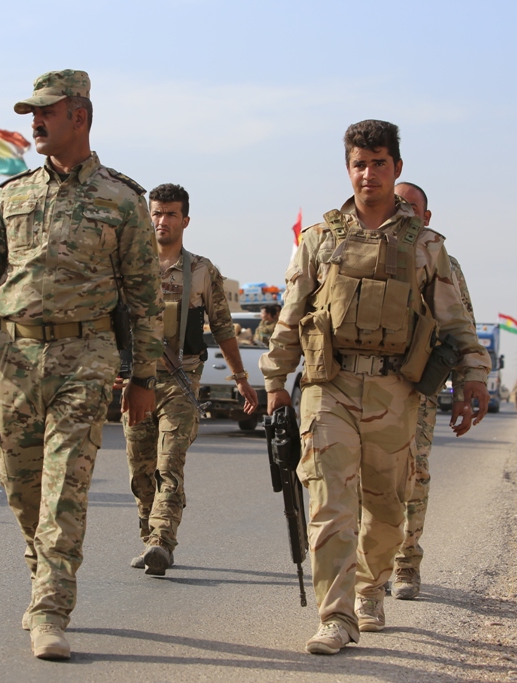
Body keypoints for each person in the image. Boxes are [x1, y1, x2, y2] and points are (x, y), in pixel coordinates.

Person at [0, 69, 163, 661]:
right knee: (21, 485)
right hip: (15, 357)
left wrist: (143, 378)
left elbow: (144, 298)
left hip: (86, 357)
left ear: (78, 116)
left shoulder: (123, 200)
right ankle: (44, 573)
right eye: (32, 113)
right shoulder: (14, 195)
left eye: (45, 113)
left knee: (64, 489)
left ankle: (51, 608)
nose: (34, 122)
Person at [259, 120, 491, 655]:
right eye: (359, 164)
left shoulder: (427, 247)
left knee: (387, 512)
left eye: (379, 163)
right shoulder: (319, 240)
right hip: (329, 385)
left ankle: (371, 588)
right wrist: (275, 382)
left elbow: (454, 322)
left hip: (395, 392)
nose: (369, 174)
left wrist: (473, 376)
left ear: (397, 168)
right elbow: (290, 318)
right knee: (330, 505)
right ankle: (335, 617)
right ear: (348, 169)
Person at [123, 183, 258, 576]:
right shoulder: (132, 264)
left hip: (180, 382)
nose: (161, 221)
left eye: (169, 214)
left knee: (170, 462)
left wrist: (241, 378)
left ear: (185, 220)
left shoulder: (201, 271)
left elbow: (222, 326)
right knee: (139, 467)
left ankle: (162, 541)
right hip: (137, 382)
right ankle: (149, 537)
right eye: (156, 213)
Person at [390, 181, 477, 601]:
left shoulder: (444, 263)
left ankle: (406, 563)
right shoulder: (365, 247)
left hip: (420, 386)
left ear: (426, 218)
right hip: (365, 383)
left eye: (412, 207)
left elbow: (462, 327)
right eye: (398, 204)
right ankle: (364, 566)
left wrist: (465, 385)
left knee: (413, 473)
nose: (403, 210)